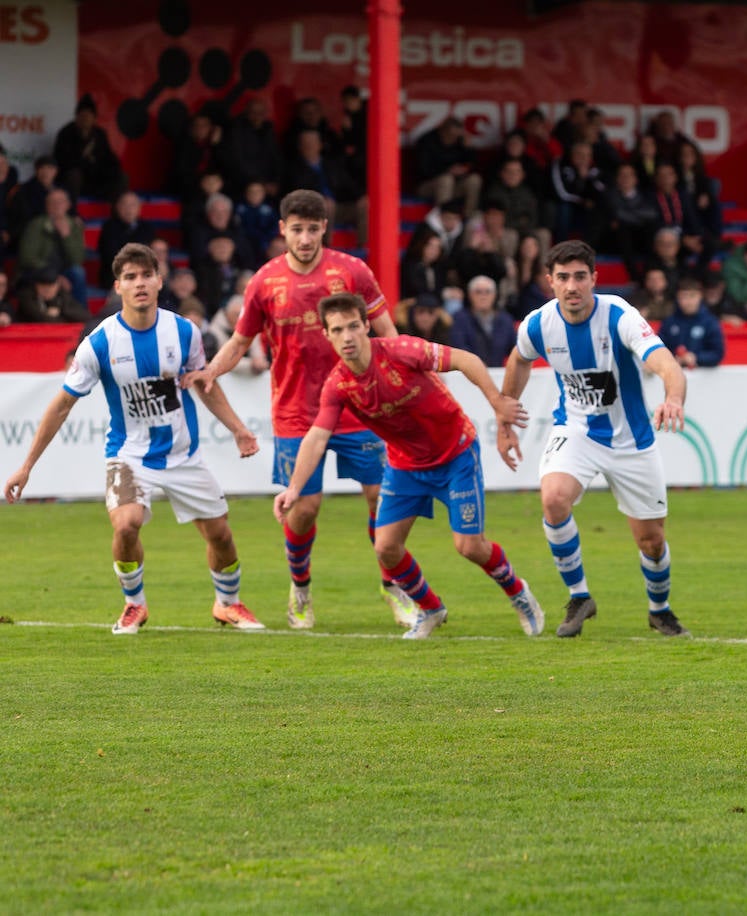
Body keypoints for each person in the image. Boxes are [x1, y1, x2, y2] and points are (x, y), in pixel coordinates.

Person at [4, 243, 264, 633]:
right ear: (118, 286)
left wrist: (239, 430)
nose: (139, 283)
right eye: (130, 277)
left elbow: (204, 385)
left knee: (221, 534)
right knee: (126, 524)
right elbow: (61, 405)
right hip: (129, 455)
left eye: (146, 275)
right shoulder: (100, 342)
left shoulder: (184, 331)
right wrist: (26, 466)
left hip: (184, 455)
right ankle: (134, 604)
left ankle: (228, 603)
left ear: (160, 281)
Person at [185, 189, 414, 631]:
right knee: (304, 508)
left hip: (359, 406)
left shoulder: (352, 271)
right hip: (295, 412)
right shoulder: (264, 282)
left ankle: (393, 585)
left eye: (313, 229)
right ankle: (301, 588)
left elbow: (385, 331)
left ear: (324, 228)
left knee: (381, 498)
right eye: (297, 229)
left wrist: (403, 374)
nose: (305, 238)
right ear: (282, 230)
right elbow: (240, 340)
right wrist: (211, 370)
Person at [274, 292, 543, 639]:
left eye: (353, 326)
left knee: (469, 547)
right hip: (405, 467)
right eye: (337, 330)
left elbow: (466, 359)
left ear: (366, 325)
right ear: (326, 335)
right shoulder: (338, 385)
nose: (347, 337)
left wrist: (497, 403)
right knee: (385, 547)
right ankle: (431, 609)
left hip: (455, 454)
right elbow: (315, 438)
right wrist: (293, 488)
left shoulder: (402, 351)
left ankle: (518, 593)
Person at [496, 240, 691, 639]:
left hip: (631, 440)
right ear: (550, 281)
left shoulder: (619, 315)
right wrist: (505, 415)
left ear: (594, 280)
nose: (572, 286)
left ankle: (659, 610)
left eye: (580, 277)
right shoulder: (538, 323)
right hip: (576, 431)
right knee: (553, 498)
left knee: (652, 541)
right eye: (563, 278)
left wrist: (673, 396)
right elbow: (519, 359)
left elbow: (664, 361)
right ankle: (579, 596)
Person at [449, 275, 517, 367]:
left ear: (494, 295)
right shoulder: (460, 319)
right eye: (478, 292)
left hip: (498, 374)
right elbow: (459, 347)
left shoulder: (505, 320)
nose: (483, 296)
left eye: (487, 292)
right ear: (470, 295)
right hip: (468, 373)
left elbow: (515, 349)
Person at [658, 276, 725, 368]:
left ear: (700, 296)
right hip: (673, 374)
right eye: (683, 297)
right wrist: (672, 359)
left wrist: (696, 358)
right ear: (678, 298)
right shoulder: (669, 322)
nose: (688, 301)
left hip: (703, 378)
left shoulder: (710, 322)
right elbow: (659, 350)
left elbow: (717, 354)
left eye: (692, 296)